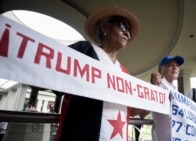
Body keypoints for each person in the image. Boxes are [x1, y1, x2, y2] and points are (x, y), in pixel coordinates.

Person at [51, 6, 142, 141]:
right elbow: (51, 79)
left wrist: (153, 100)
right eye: (122, 26)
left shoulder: (125, 73)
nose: (127, 33)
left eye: (128, 31)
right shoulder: (84, 50)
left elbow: (129, 111)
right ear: (104, 27)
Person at [150, 55, 184, 141]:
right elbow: (143, 111)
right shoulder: (156, 86)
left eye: (177, 65)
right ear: (160, 69)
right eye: (170, 65)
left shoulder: (177, 92)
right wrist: (154, 86)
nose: (175, 67)